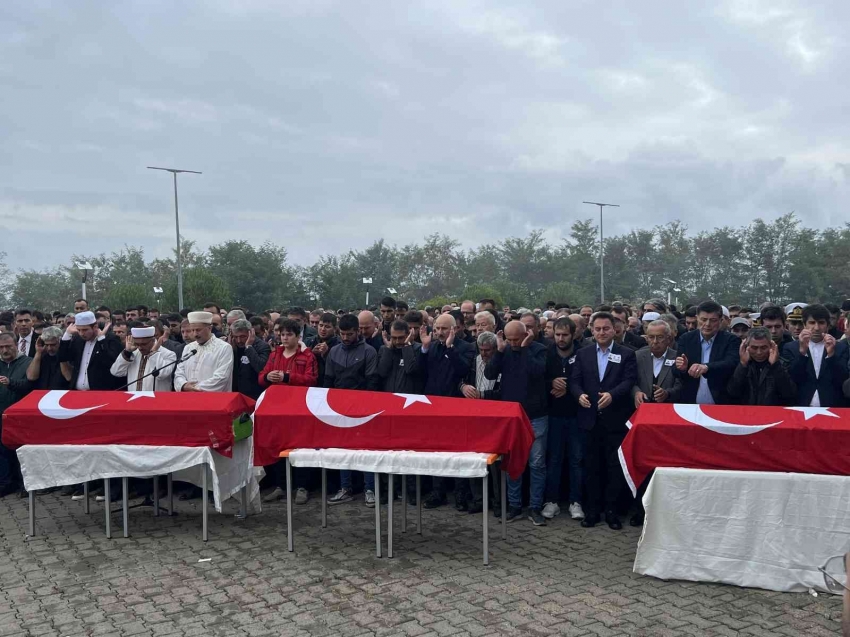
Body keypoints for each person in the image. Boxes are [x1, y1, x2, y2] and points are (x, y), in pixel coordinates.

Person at [570, 311, 637, 530]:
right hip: (589, 419)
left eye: (605, 328)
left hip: (615, 420)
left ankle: (612, 512)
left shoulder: (627, 354)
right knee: (591, 467)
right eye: (597, 329)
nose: (601, 332)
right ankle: (592, 511)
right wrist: (578, 394)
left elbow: (629, 380)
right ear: (591, 329)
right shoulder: (583, 353)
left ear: (614, 329)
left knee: (613, 468)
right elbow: (575, 380)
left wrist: (613, 395)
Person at [484, 321, 548, 525]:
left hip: (535, 416)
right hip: (512, 417)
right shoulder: (505, 351)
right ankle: (514, 505)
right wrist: (500, 352)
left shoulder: (539, 350)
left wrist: (525, 348)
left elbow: (537, 372)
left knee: (536, 464)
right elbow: (490, 374)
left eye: (516, 339)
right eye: (509, 340)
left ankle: (535, 507)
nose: (513, 343)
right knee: (513, 463)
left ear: (526, 335)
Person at [259, 318, 319, 505]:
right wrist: (268, 376)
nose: (284, 338)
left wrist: (287, 377)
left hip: (300, 408)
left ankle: (302, 486)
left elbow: (312, 379)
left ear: (297, 336)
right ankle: (281, 486)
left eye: (289, 334)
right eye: (282, 334)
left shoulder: (307, 356)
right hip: (277, 408)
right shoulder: (274, 354)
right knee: (278, 445)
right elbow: (261, 378)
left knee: (301, 447)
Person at [419, 313, 475, 509]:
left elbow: (462, 370)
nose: (439, 333)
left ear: (454, 329)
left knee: (457, 452)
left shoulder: (467, 347)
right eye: (436, 329)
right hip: (434, 405)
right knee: (436, 451)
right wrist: (424, 348)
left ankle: (460, 493)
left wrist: (450, 348)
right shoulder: (431, 346)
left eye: (443, 329)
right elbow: (419, 372)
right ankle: (438, 492)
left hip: (456, 406)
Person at [324, 314, 379, 506]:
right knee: (342, 449)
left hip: (363, 408)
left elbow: (372, 382)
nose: (346, 338)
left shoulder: (369, 351)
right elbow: (329, 381)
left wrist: (364, 406)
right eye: (342, 334)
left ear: (358, 332)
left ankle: (370, 489)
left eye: (349, 334)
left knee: (366, 449)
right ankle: (345, 488)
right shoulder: (333, 351)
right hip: (339, 408)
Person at [542, 316, 586, 522]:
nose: (560, 338)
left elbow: (590, 380)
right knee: (554, 459)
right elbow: (535, 379)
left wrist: (569, 389)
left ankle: (575, 501)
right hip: (553, 415)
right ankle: (551, 501)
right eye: (557, 334)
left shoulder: (583, 353)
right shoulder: (546, 353)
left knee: (577, 460)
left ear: (573, 334)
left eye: (564, 335)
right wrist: (551, 382)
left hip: (577, 414)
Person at [783, 304, 849, 408]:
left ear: (828, 325)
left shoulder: (840, 347)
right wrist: (802, 353)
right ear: (804, 325)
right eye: (812, 323)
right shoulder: (791, 347)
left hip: (832, 406)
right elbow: (791, 379)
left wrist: (831, 355)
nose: (817, 328)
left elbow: (842, 380)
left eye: (821, 323)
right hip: (801, 405)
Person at [674, 300, 739, 405]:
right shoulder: (686, 339)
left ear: (721, 320)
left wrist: (706, 367)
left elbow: (732, 363)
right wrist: (682, 368)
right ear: (697, 318)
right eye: (703, 319)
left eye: (713, 320)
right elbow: (676, 371)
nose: (707, 324)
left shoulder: (731, 340)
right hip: (691, 402)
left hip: (722, 401)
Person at [727, 327, 796, 406]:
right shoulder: (739, 363)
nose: (759, 352)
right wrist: (742, 365)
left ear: (771, 346)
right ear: (747, 346)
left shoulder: (783, 363)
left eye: (763, 348)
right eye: (754, 348)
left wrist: (775, 365)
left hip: (773, 414)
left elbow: (789, 393)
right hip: (746, 413)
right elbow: (732, 392)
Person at [0, 332, 32, 497]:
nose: (5, 350)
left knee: (20, 450)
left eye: (8, 346)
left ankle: (24, 483)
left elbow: (29, 384)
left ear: (16, 345)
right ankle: (6, 482)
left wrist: (11, 383)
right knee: (2, 451)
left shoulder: (27, 362)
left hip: (19, 414)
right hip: (1, 413)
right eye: (1, 347)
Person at [174, 312, 234, 393]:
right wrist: (183, 385)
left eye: (198, 330)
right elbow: (179, 373)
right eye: (192, 330)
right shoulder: (188, 348)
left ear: (210, 328)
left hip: (214, 400)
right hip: (188, 399)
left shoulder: (224, 348)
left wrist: (194, 388)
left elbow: (221, 378)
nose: (195, 334)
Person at [110, 324, 177, 392]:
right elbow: (116, 372)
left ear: (153, 340)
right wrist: (127, 352)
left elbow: (161, 374)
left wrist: (153, 353)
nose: (140, 348)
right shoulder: (133, 353)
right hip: (134, 399)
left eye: (143, 344)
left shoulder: (168, 354)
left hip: (157, 400)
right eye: (137, 344)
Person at [632, 320, 682, 408]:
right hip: (641, 409)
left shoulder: (677, 358)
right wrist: (636, 392)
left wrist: (667, 393)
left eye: (660, 337)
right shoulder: (637, 356)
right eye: (651, 337)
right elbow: (630, 381)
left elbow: (681, 385)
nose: (655, 341)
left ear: (669, 339)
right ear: (646, 338)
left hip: (668, 409)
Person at [376, 320, 422, 394]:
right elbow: (382, 372)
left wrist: (407, 347)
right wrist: (388, 350)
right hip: (388, 396)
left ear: (408, 335)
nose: (397, 341)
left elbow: (410, 370)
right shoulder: (384, 349)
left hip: (409, 397)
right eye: (394, 338)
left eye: (400, 338)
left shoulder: (418, 349)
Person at [229, 319, 271, 400]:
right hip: (235, 393)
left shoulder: (262, 346)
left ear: (251, 333)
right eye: (235, 337)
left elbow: (260, 368)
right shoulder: (231, 346)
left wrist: (249, 347)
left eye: (242, 336)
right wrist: (230, 349)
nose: (239, 341)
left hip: (254, 395)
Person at [311, 312, 341, 387]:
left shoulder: (340, 344)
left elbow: (339, 368)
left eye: (327, 327)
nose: (323, 329)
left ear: (334, 329)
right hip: (313, 383)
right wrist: (311, 354)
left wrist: (327, 354)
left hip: (331, 384)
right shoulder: (310, 341)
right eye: (321, 325)